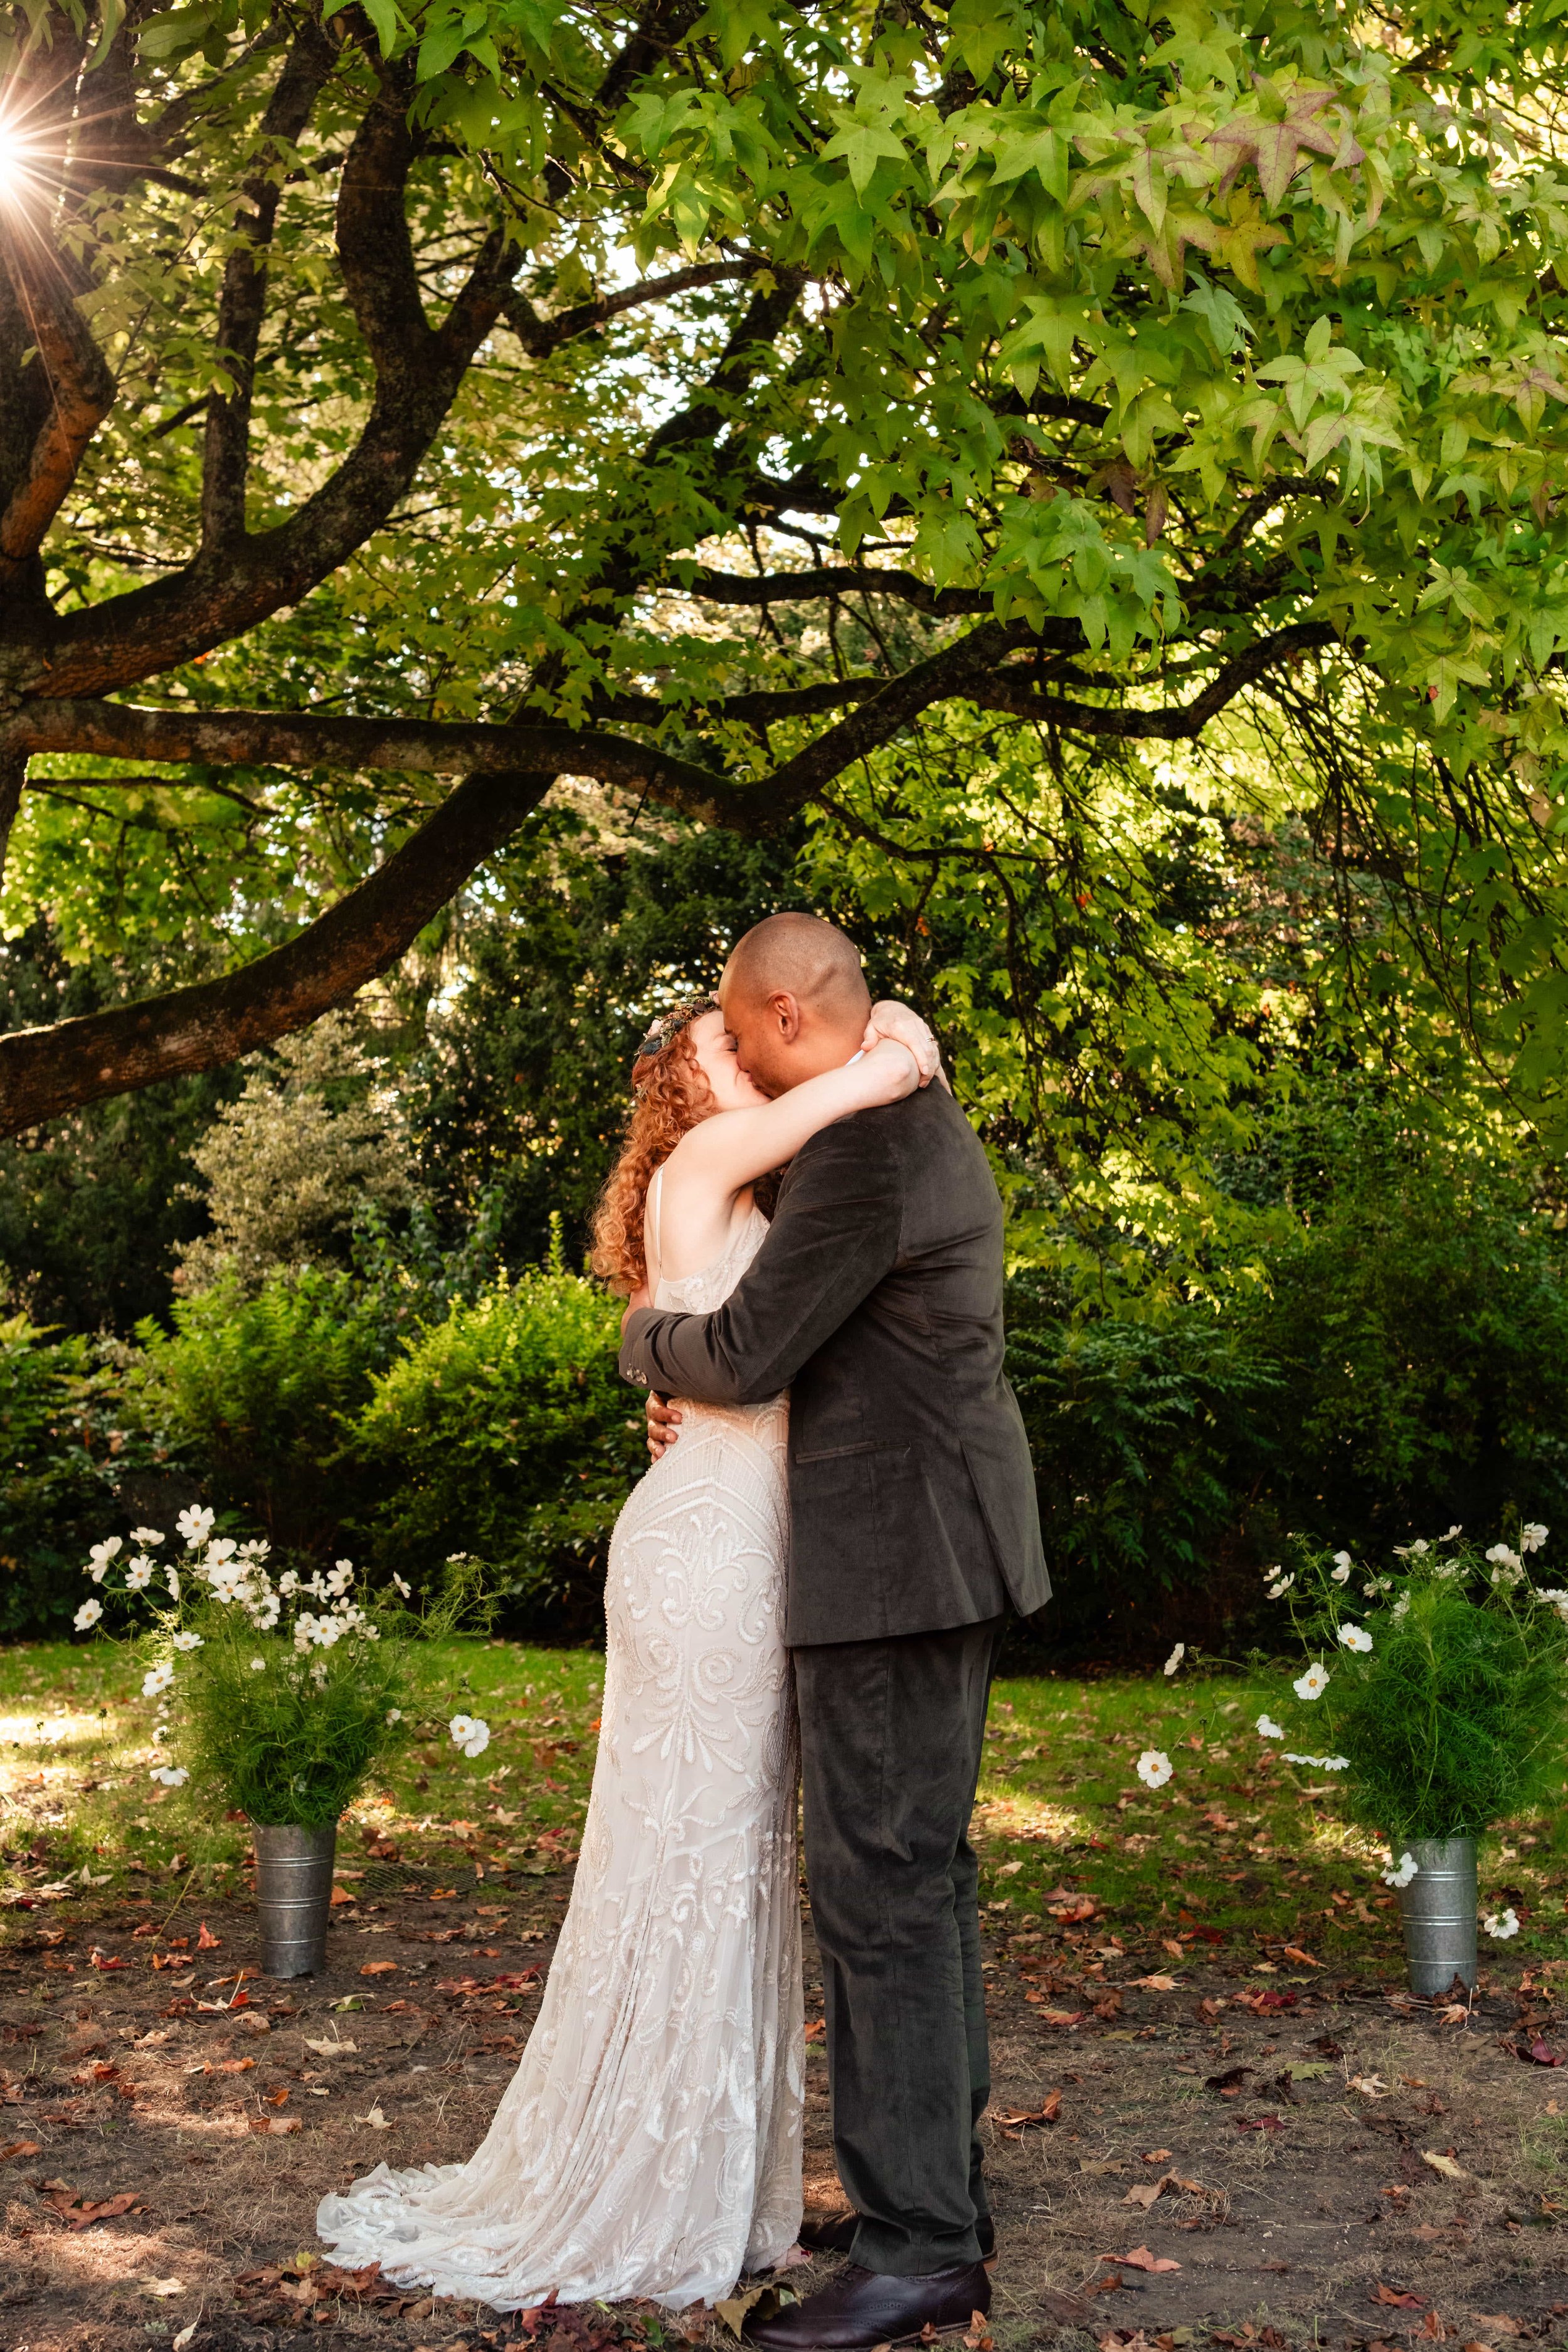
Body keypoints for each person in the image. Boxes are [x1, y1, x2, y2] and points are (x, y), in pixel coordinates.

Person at [315, 986, 943, 2312]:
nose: (755, 1054)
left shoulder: (736, 1179)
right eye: (728, 1044)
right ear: (684, 1082)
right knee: (696, 1857)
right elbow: (860, 1084)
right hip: (711, 1562)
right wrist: (896, 1036)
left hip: (736, 1536)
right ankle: (650, 2183)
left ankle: (723, 2180)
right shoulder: (706, 1156)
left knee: (724, 1860)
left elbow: (735, 1347)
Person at [622, 912, 1049, 2352]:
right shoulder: (901, 1112)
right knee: (919, 1878)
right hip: (940, 1548)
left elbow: (745, 1355)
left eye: (738, 1036)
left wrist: (640, 1343)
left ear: (786, 1020)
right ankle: (935, 2201)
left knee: (878, 1890)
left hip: (892, 1561)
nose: (735, 1061)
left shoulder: (862, 1155)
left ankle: (919, 2244)